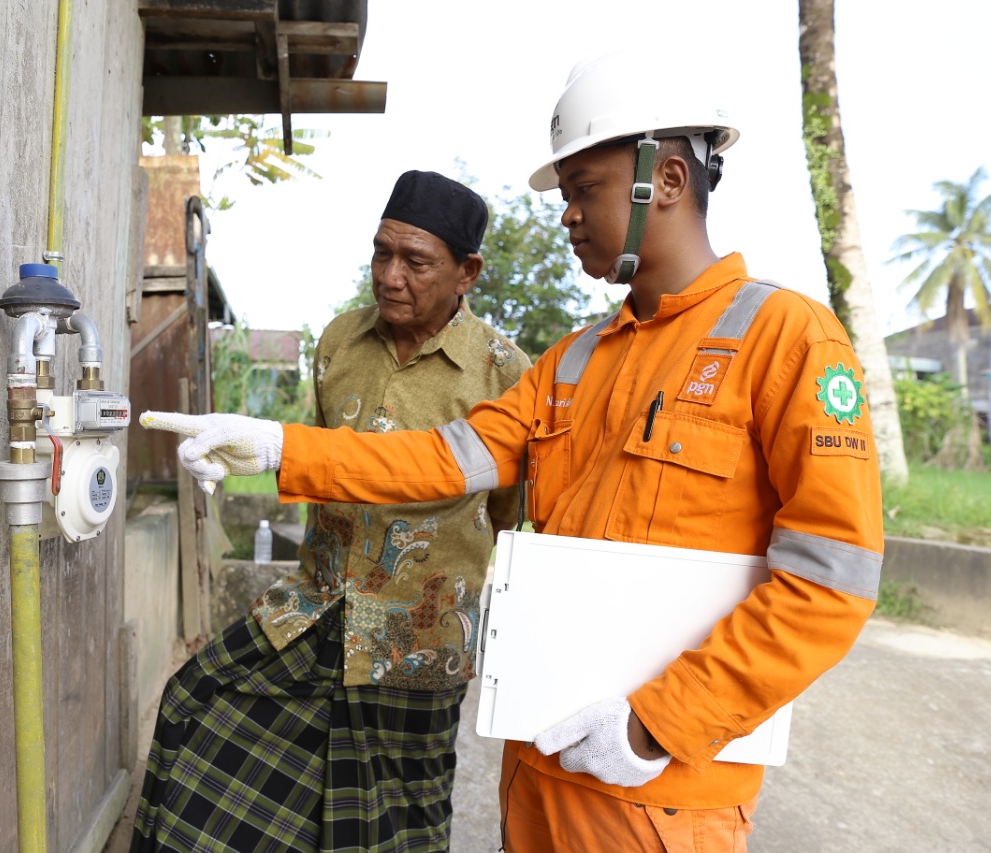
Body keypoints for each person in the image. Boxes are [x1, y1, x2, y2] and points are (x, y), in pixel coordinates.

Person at [142, 50, 886, 852]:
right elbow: (438, 461)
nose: (565, 216)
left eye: (582, 192)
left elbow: (829, 581)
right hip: (539, 770)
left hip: (661, 793)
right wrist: (277, 444)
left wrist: (654, 725)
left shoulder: (787, 338)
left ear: (665, 181)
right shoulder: (573, 361)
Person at [131, 170, 531, 852]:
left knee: (390, 833)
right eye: (382, 253)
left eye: (415, 260)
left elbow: (507, 515)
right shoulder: (340, 342)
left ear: (467, 272)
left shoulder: (505, 375)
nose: (390, 275)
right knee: (194, 702)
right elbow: (316, 462)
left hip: (414, 649)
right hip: (310, 612)